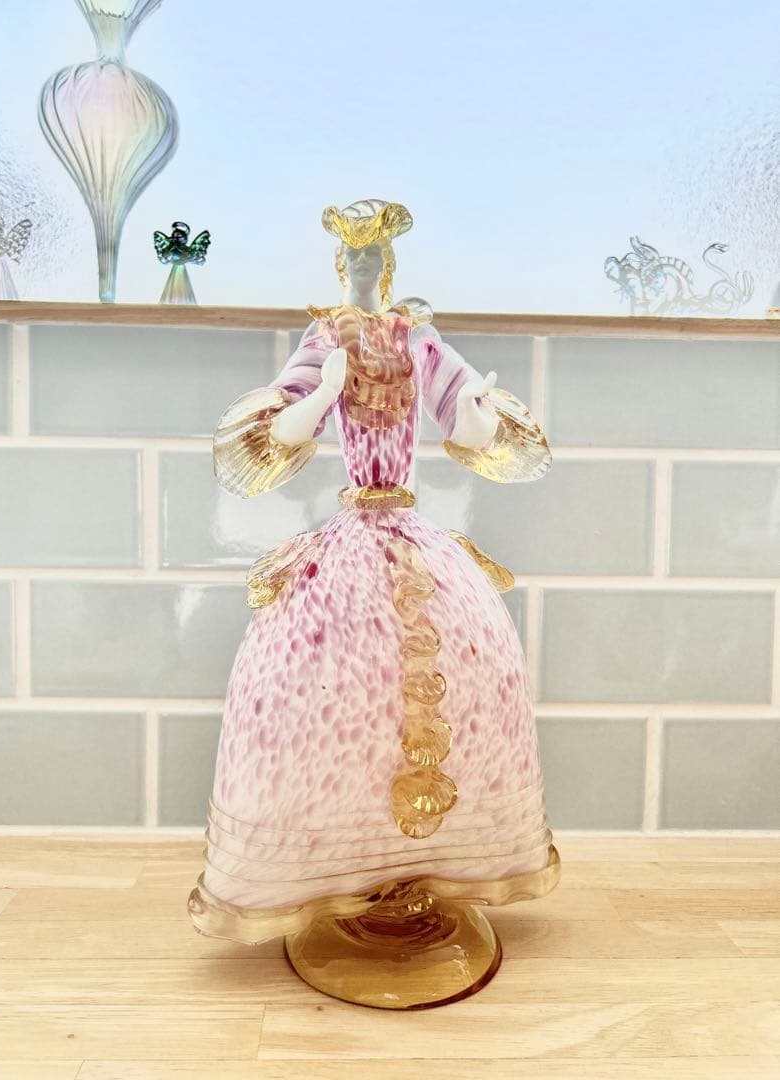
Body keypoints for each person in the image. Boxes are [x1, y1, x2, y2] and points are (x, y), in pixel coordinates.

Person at [189, 198, 560, 952]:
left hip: (413, 530)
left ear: (387, 266)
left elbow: (466, 423)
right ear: (341, 265)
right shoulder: (324, 338)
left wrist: (477, 406)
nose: (363, 268)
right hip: (352, 536)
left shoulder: (416, 338)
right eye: (353, 257)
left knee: (467, 668)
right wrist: (327, 391)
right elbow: (281, 427)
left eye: (374, 257)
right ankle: (335, 863)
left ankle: (438, 863)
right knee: (321, 687)